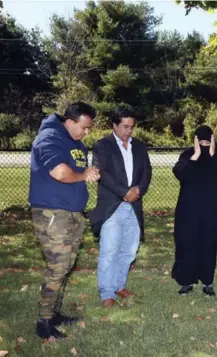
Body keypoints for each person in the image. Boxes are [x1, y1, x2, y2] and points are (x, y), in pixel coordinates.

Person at [29, 102, 100, 340]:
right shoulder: (49, 138)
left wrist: (86, 173)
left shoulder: (75, 141)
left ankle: (54, 313)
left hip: (72, 212)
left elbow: (76, 168)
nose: (86, 132)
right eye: (84, 127)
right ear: (70, 122)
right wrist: (83, 175)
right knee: (57, 267)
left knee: (66, 266)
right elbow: (59, 172)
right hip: (52, 213)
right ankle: (44, 323)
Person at [89, 109, 152, 307]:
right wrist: (125, 192)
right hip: (112, 206)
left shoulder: (139, 146)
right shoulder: (102, 146)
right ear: (114, 125)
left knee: (129, 250)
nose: (129, 131)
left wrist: (139, 190)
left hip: (134, 206)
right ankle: (107, 293)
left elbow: (147, 172)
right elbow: (102, 173)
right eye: (125, 126)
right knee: (109, 250)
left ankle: (119, 285)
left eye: (132, 127)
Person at [172, 125, 217, 296]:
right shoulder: (188, 154)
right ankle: (186, 280)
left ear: (213, 140)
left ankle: (207, 281)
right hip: (189, 208)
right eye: (202, 141)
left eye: (208, 141)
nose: (205, 144)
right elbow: (180, 173)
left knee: (209, 244)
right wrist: (196, 155)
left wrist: (213, 153)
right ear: (195, 141)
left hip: (213, 208)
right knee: (187, 243)